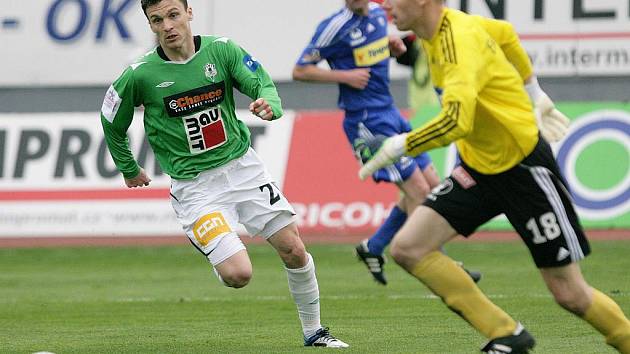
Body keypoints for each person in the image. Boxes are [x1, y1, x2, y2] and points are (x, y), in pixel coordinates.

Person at [359, 0, 630, 353]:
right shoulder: (434, 32)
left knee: (570, 294)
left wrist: (400, 145)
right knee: (409, 248)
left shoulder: (457, 40)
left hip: (522, 168)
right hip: (479, 167)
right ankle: (506, 335)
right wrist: (535, 92)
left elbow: (458, 121)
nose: (385, 4)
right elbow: (505, 34)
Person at [99, 0, 348, 348]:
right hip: (196, 188)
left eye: (173, 15)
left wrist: (269, 105)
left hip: (242, 169)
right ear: (151, 26)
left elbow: (262, 84)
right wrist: (129, 167)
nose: (168, 25)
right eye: (157, 20)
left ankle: (314, 332)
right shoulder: (140, 74)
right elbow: (111, 119)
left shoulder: (222, 50)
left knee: (293, 248)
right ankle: (215, 249)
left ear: (188, 13)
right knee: (238, 275)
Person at [292, 0, 479, 286]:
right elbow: (300, 70)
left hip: (391, 112)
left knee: (432, 185)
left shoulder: (379, 14)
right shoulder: (334, 26)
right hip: (366, 121)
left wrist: (389, 47)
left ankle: (374, 246)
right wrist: (345, 76)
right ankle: (444, 267)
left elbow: (370, 50)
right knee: (418, 189)